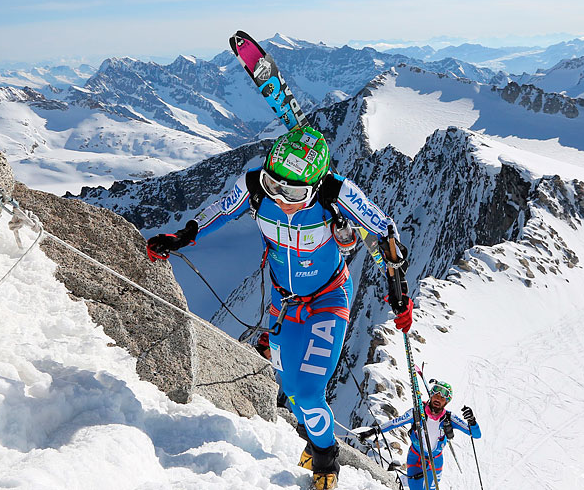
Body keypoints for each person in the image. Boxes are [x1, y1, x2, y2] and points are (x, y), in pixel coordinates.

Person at [145, 126, 413, 490]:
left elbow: (384, 231)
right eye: (275, 185)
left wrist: (399, 292)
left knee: (307, 393)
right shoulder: (256, 186)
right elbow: (221, 210)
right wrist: (185, 235)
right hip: (283, 301)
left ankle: (325, 458)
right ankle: (314, 436)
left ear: (316, 186)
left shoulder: (336, 193)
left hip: (328, 299)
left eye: (294, 192)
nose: (281, 197)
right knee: (287, 383)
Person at [356, 380, 480, 490]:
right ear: (431, 395)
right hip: (415, 458)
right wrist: (373, 431)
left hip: (435, 462)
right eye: (436, 394)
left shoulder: (450, 418)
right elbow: (394, 423)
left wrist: (472, 422)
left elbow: (475, 434)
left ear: (446, 402)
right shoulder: (416, 413)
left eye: (442, 398)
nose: (438, 399)